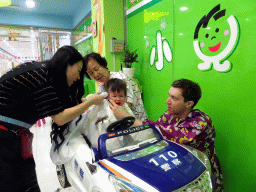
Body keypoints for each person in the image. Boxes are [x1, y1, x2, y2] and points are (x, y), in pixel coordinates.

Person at [0, 46, 104, 192]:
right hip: (4, 134)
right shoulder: (43, 77)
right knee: (15, 183)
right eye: (79, 71)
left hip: (14, 133)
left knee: (27, 180)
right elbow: (60, 118)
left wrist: (86, 100)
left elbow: (60, 106)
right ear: (67, 64)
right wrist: (90, 102)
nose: (79, 78)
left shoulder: (45, 72)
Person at [109, 78, 224, 192]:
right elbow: (155, 134)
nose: (167, 101)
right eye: (169, 95)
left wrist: (129, 119)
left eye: (174, 98)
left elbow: (170, 135)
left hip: (199, 174)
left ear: (189, 104)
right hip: (175, 169)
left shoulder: (201, 122)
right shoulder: (169, 115)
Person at [50, 78, 134, 165]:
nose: (118, 99)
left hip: (122, 145)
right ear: (108, 96)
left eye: (121, 96)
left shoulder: (125, 108)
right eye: (114, 96)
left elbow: (132, 123)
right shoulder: (103, 105)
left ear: (125, 96)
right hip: (105, 142)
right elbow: (89, 116)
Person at [84, 52, 148, 121]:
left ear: (103, 65)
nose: (96, 74)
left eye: (96, 69)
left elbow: (126, 108)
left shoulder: (121, 79)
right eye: (91, 73)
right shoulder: (101, 86)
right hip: (119, 124)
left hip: (137, 124)